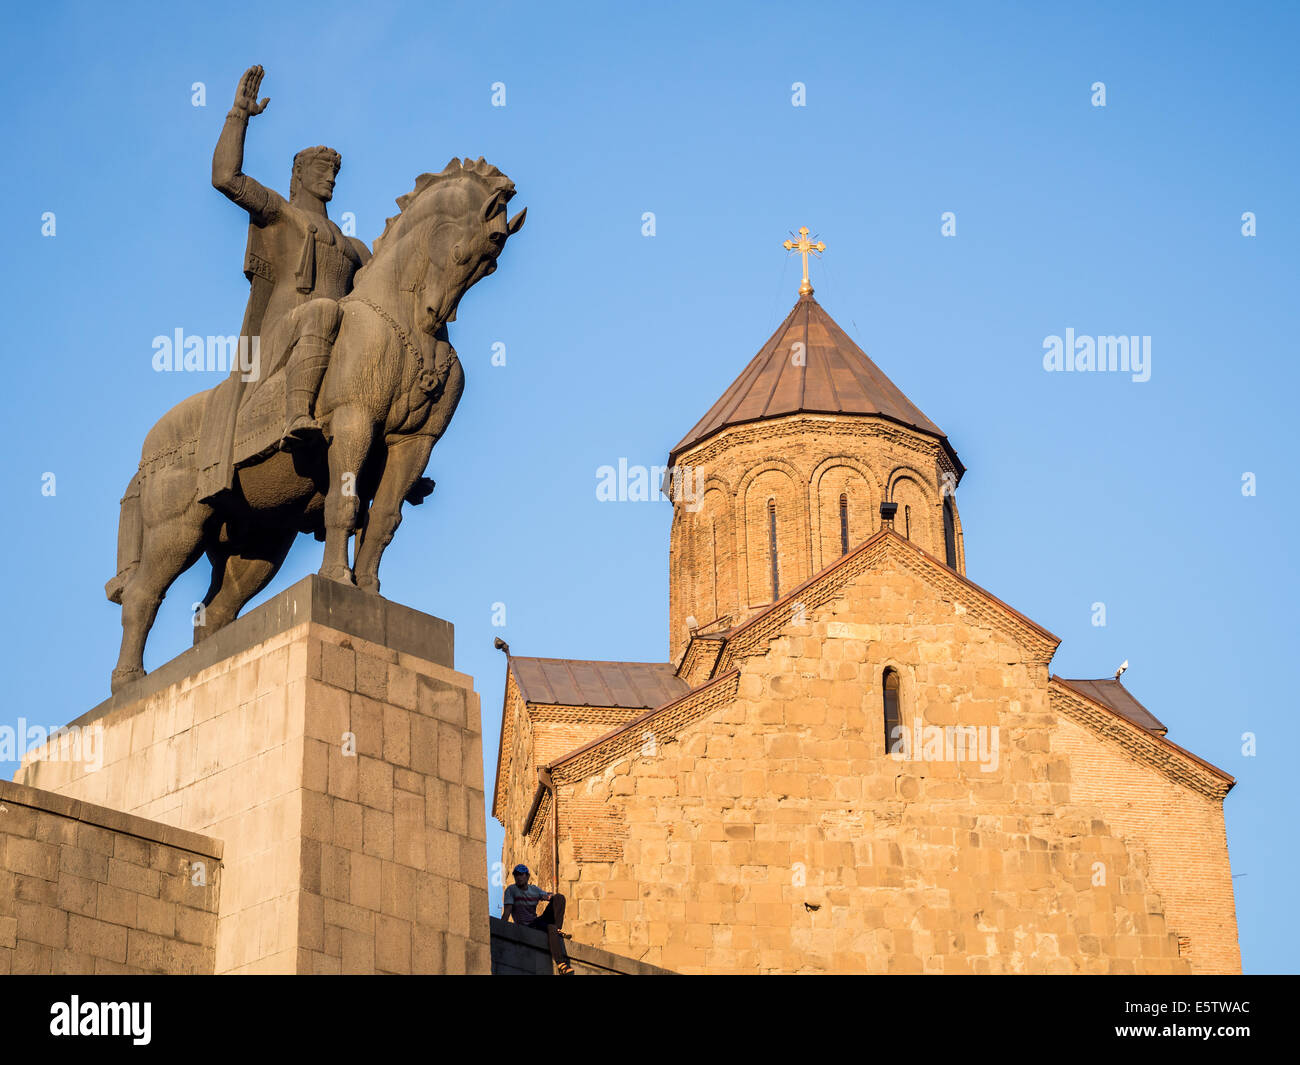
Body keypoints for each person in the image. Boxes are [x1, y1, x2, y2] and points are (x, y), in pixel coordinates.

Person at [502, 864, 573, 975]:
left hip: (536, 922)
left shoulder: (533, 890)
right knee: (550, 928)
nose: (518, 877)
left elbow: (546, 896)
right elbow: (507, 911)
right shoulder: (511, 890)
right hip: (525, 926)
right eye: (516, 875)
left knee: (559, 897)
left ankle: (557, 930)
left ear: (527, 876)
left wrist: (551, 897)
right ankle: (561, 965)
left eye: (521, 875)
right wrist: (502, 928)